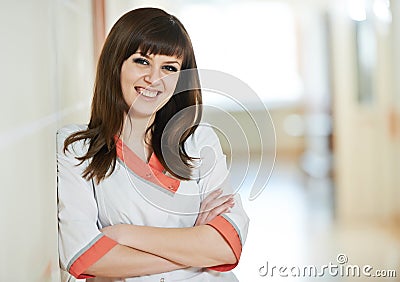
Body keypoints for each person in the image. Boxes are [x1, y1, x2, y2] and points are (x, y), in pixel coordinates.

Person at [57, 7, 249, 281]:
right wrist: (195, 246)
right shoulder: (77, 148)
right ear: (116, 64)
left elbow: (227, 247)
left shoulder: (198, 140)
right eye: (142, 61)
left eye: (169, 68)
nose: (154, 79)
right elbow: (83, 256)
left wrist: (123, 234)